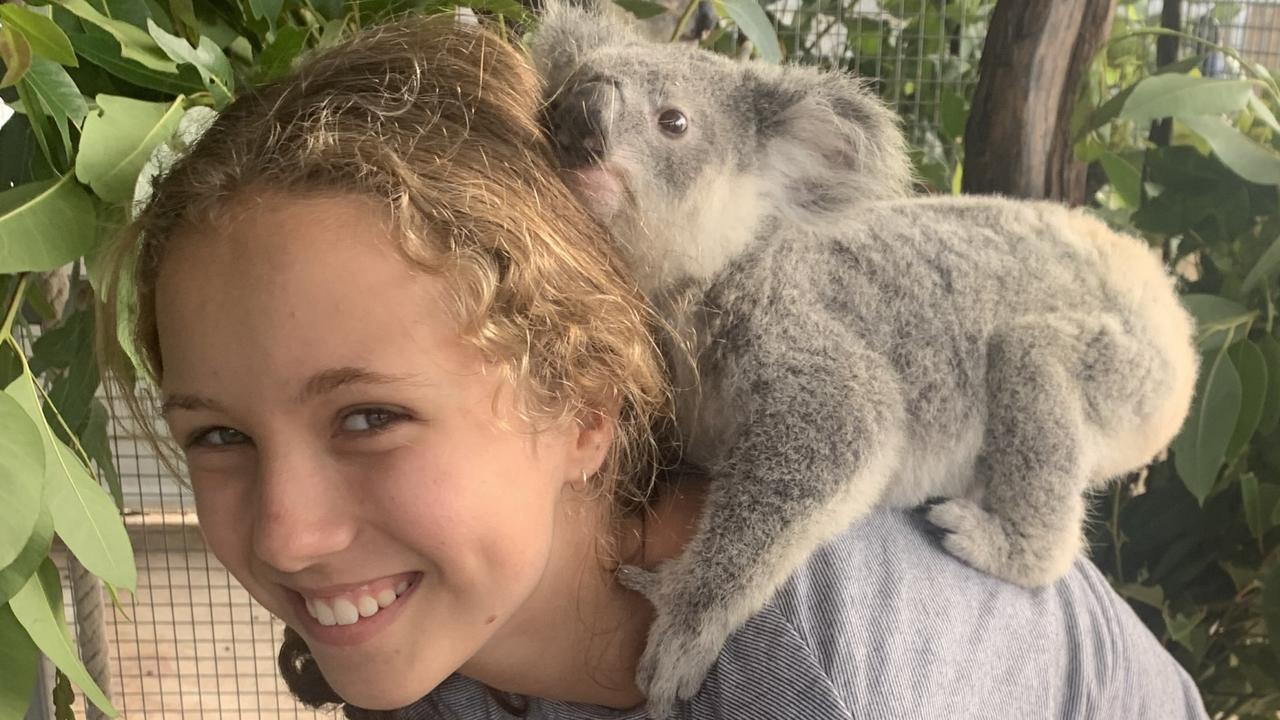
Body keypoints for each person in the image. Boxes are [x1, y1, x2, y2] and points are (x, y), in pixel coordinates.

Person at [98, 13, 1211, 720]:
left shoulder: (816, 663)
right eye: (218, 435)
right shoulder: (442, 630)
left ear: (589, 403)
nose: (289, 534)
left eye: (370, 416)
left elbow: (836, 427)